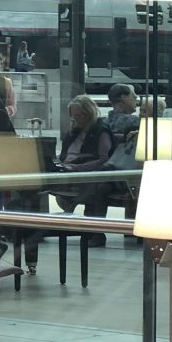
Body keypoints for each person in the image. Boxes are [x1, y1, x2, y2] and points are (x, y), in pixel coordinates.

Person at [55, 94, 114, 247]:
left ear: (89, 113)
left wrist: (76, 167)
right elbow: (66, 154)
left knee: (96, 187)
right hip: (69, 168)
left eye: (80, 115)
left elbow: (103, 159)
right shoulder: (73, 131)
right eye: (74, 116)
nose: (77, 119)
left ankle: (93, 230)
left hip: (87, 171)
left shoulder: (101, 131)